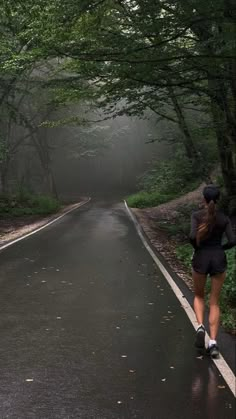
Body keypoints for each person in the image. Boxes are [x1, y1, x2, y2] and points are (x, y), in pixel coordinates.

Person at [189, 185, 236, 358]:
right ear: (218, 199)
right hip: (218, 258)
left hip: (201, 258)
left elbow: (193, 236)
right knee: (215, 301)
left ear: (203, 199)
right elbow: (232, 240)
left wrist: (197, 248)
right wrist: (220, 248)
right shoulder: (223, 218)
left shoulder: (196, 216)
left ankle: (201, 327)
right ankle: (214, 343)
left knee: (199, 295)